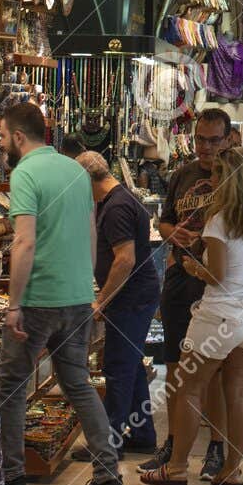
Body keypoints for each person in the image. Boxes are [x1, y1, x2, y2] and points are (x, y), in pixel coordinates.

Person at [0, 103, 127, 485]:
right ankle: (108, 477)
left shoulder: (25, 173)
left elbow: (25, 241)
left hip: (39, 299)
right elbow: (89, 232)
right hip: (76, 298)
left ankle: (12, 480)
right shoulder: (75, 171)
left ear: (18, 137)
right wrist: (87, 287)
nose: (0, 143)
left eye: (1, 136)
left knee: (10, 388)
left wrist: (14, 304)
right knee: (78, 385)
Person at [138, 147, 243, 485]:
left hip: (220, 314)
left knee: (188, 389)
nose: (210, 179)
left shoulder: (219, 219)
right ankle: (231, 470)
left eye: (215, 175)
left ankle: (177, 467)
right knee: (238, 393)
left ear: (227, 180)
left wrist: (190, 266)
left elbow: (218, 276)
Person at [145, 108, 237, 481]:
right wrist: (173, 232)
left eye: (214, 140)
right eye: (200, 139)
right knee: (175, 365)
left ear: (229, 139)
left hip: (215, 284)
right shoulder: (182, 175)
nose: (205, 147)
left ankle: (217, 446)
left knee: (213, 371)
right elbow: (164, 219)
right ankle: (174, 442)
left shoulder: (238, 179)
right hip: (181, 278)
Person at [74, 152, 160, 459]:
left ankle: (108, 442)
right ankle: (142, 433)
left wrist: (101, 300)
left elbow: (125, 260)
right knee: (131, 366)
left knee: (118, 367)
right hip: (136, 295)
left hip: (131, 297)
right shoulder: (119, 199)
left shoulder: (116, 207)